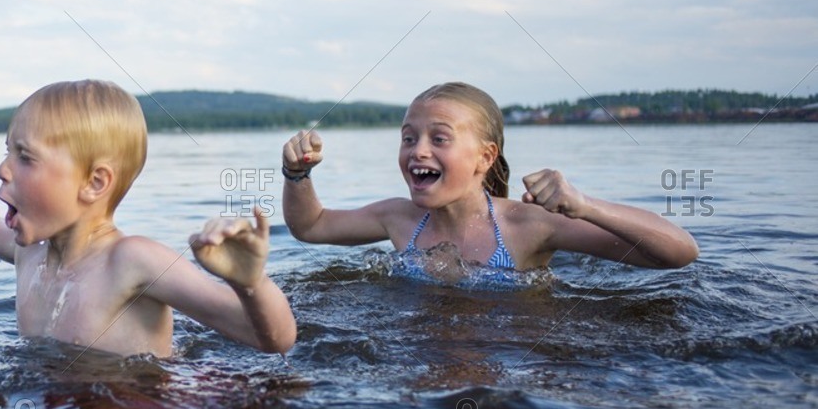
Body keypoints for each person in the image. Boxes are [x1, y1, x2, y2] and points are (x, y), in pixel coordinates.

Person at [0, 79, 297, 358]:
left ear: (94, 183)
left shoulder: (132, 262)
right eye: (7, 152)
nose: (3, 169)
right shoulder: (31, 254)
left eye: (24, 157)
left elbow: (272, 340)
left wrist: (250, 285)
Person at [280, 81, 699, 284]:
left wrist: (585, 206)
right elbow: (312, 227)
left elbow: (679, 253)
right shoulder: (398, 218)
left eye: (438, 138)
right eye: (409, 138)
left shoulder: (528, 226)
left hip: (508, 363)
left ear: (485, 157)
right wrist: (297, 174)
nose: (418, 150)